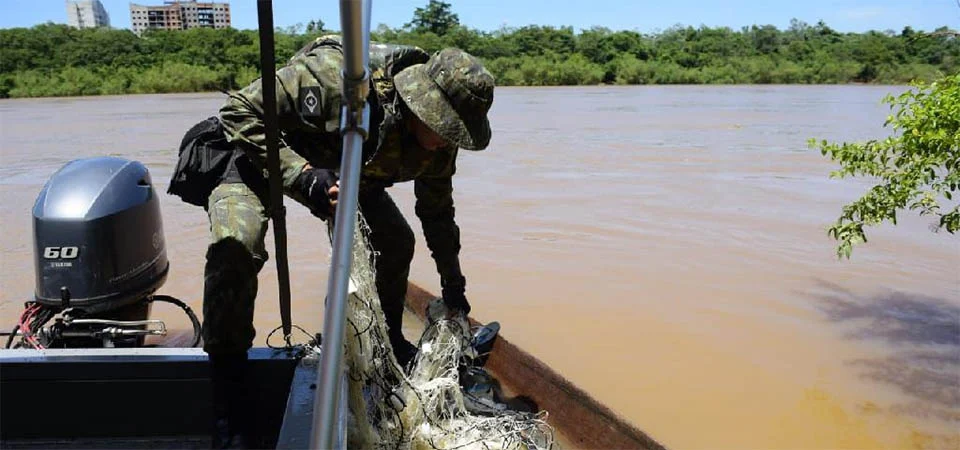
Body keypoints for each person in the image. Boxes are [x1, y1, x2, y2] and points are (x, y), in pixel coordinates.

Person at [176, 36, 494, 448]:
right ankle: (229, 393)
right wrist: (302, 175)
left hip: (346, 172)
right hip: (260, 155)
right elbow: (239, 110)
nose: (446, 140)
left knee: (396, 241)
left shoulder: (438, 148)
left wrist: (453, 285)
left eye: (454, 133)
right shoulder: (335, 80)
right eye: (442, 126)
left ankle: (386, 343)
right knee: (237, 247)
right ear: (419, 103)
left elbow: (438, 216)